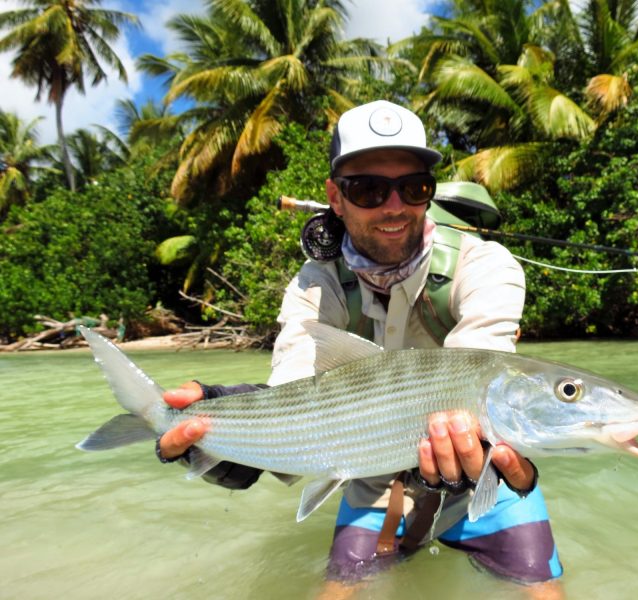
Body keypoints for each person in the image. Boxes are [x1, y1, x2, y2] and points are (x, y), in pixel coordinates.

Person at [157, 100, 565, 599]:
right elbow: (293, 392)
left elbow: (479, 375)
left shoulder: (486, 267)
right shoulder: (315, 285)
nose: (394, 206)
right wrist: (225, 431)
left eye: (414, 187)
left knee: (543, 591)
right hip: (369, 477)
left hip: (489, 480)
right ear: (335, 196)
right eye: (368, 189)